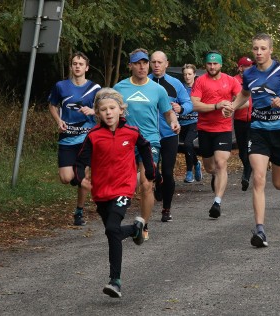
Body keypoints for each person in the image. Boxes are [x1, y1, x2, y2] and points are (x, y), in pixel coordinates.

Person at [222, 33, 280, 248]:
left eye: (262, 48)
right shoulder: (249, 74)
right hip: (258, 131)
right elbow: (244, 95)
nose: (258, 52)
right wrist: (232, 106)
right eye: (255, 49)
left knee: (279, 184)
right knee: (258, 179)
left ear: (270, 50)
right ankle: (260, 229)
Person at [71, 88, 153, 298]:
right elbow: (81, 162)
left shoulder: (132, 132)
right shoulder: (94, 136)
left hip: (124, 187)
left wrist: (151, 171)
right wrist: (80, 178)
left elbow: (145, 147)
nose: (108, 113)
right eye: (103, 110)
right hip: (101, 191)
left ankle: (115, 280)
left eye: (112, 108)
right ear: (97, 114)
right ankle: (136, 229)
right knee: (112, 232)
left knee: (112, 228)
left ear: (120, 110)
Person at [113, 48, 180, 240]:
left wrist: (173, 122)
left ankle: (144, 223)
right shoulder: (119, 88)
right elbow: (109, 111)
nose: (142, 66)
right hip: (125, 140)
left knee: (146, 184)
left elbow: (168, 112)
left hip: (150, 140)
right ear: (131, 66)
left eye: (145, 62)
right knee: (125, 183)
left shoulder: (158, 89)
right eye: (137, 63)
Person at [48, 51, 101, 226]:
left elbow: (106, 109)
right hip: (66, 138)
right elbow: (52, 105)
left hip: (87, 139)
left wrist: (93, 111)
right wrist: (58, 120)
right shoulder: (61, 86)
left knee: (82, 176)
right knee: (66, 178)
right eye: (74, 63)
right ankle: (81, 183)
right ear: (71, 67)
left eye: (80, 64)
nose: (77, 66)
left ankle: (79, 211)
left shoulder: (95, 88)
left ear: (86, 67)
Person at [190, 51, 242, 219]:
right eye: (209, 64)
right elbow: (195, 105)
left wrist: (232, 106)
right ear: (206, 65)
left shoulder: (230, 81)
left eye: (215, 64)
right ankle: (215, 177)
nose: (212, 67)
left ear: (221, 65)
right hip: (205, 129)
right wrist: (216, 106)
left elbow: (246, 100)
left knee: (221, 163)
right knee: (210, 167)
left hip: (224, 129)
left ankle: (217, 202)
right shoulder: (200, 81)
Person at [149, 51, 193, 222]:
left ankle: (166, 209)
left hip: (169, 134)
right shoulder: (145, 83)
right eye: (153, 62)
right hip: (148, 135)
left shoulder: (175, 84)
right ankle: (157, 180)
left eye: (160, 62)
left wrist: (182, 109)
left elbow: (188, 102)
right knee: (152, 171)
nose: (156, 65)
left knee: (168, 172)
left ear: (167, 63)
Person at [233, 56, 254, 191]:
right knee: (242, 152)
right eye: (246, 66)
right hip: (239, 120)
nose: (249, 68)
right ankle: (247, 168)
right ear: (240, 67)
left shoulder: (255, 79)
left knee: (250, 150)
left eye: (251, 66)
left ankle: (246, 175)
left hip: (254, 120)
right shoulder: (233, 81)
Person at [180, 64, 203, 184]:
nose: (187, 76)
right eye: (185, 74)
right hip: (182, 122)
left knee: (188, 144)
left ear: (194, 74)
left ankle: (189, 172)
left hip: (195, 121)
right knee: (185, 146)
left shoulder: (198, 88)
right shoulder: (180, 88)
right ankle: (196, 163)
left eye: (189, 74)